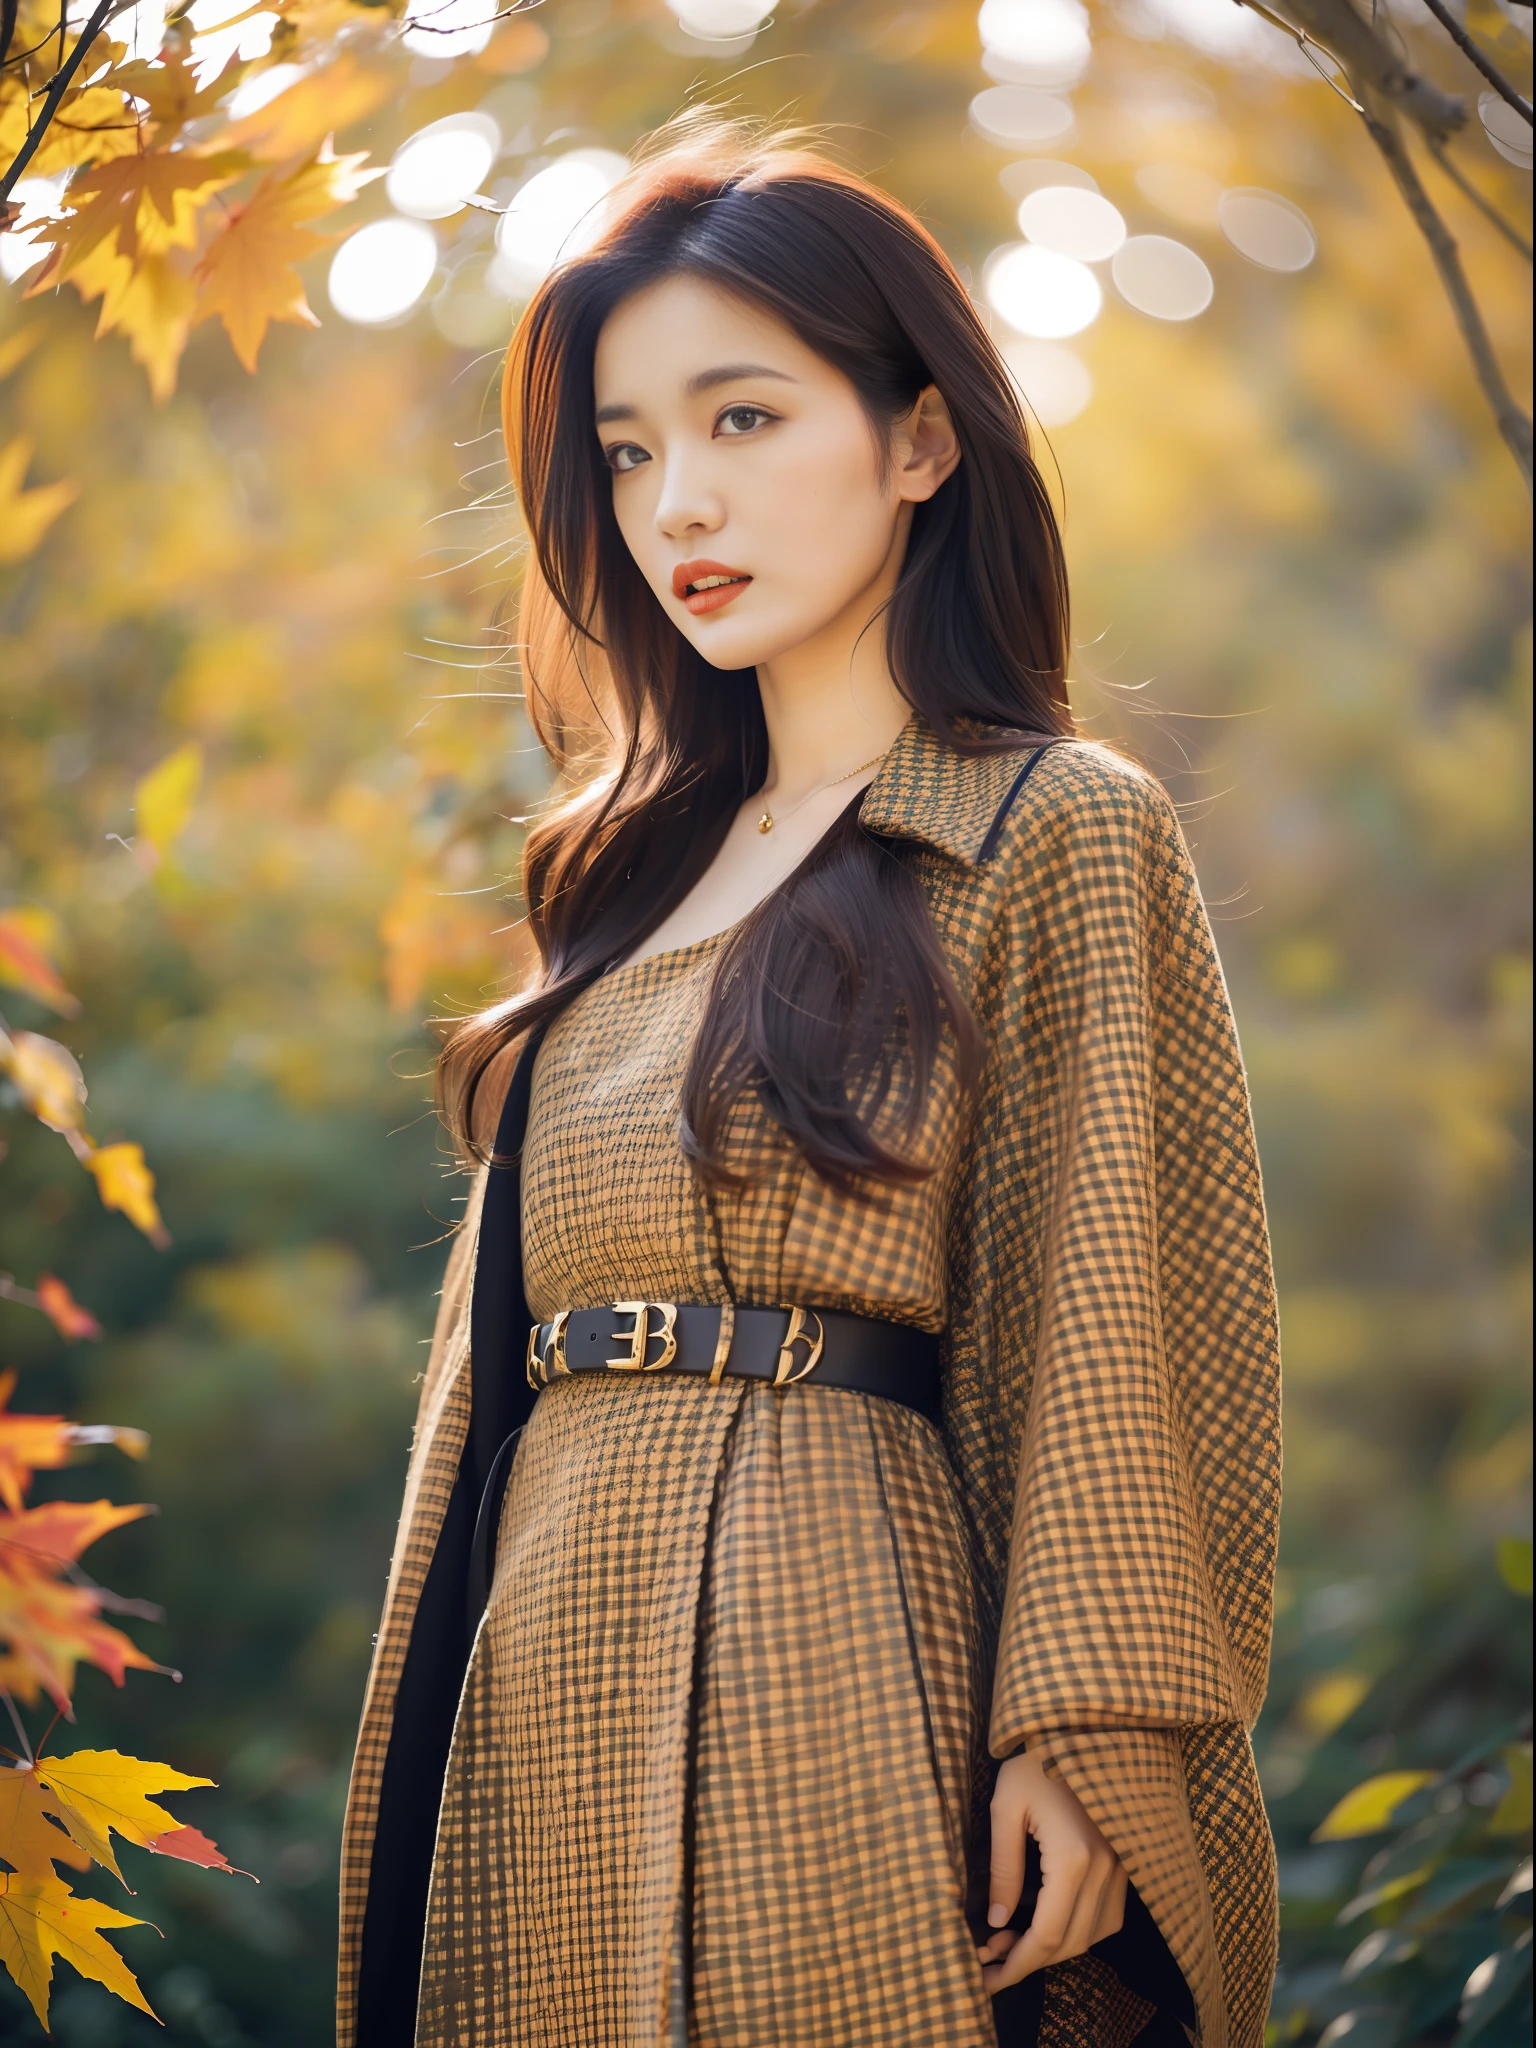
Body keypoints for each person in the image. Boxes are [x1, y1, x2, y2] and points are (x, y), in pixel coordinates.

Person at [337, 115, 1281, 2048]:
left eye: (744, 419)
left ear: (920, 442)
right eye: (627, 450)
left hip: (853, 1651)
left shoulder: (1046, 828)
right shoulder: (615, 884)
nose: (677, 498)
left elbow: (1117, 1302)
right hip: (550, 1668)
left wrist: (1081, 1727)